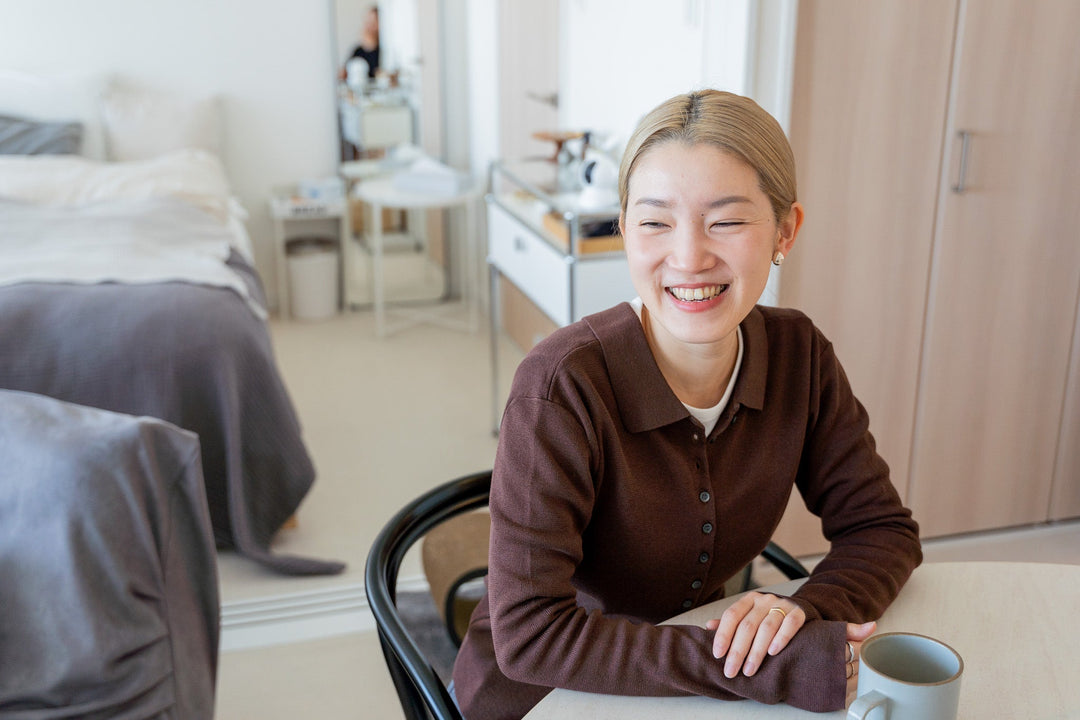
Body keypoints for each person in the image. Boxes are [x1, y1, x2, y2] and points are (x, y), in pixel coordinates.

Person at [451, 89, 922, 720]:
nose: (689, 257)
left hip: (699, 691)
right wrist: (769, 666)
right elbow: (530, 635)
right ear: (624, 229)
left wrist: (801, 615)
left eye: (726, 221)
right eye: (655, 222)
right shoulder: (562, 386)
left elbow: (881, 529)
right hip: (543, 698)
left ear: (785, 230)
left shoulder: (798, 356)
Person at [346, 5, 380, 80]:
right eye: (367, 22)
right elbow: (345, 73)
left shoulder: (383, 51)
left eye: (373, 23)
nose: (368, 27)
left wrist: (371, 47)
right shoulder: (358, 51)